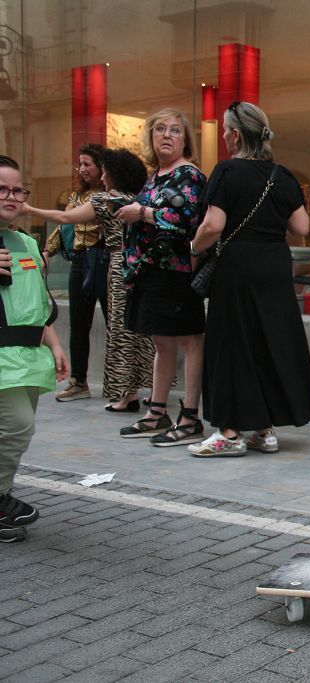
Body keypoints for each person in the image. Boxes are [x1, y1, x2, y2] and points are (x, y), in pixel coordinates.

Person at [186, 102, 310, 457]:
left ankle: (229, 433)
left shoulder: (227, 172)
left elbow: (213, 225)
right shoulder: (283, 175)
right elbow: (301, 226)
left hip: (238, 266)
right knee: (266, 341)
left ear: (233, 134)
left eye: (226, 130)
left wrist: (194, 246)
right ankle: (263, 429)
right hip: (275, 265)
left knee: (231, 346)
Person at [26, 148, 154, 413]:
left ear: (112, 173)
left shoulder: (105, 200)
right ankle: (149, 391)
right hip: (140, 266)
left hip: (119, 266)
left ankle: (125, 395)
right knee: (138, 330)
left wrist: (27, 208)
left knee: (118, 331)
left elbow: (64, 219)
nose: (101, 175)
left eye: (102, 169)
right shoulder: (138, 198)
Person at [114, 109, 207, 447]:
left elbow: (188, 222)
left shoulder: (189, 175)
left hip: (178, 271)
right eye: (160, 129)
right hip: (150, 272)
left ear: (186, 139)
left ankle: (190, 416)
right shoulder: (156, 176)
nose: (167, 135)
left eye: (175, 130)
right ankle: (157, 411)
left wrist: (142, 212)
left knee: (189, 341)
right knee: (161, 342)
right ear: (151, 137)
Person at [0, 155, 70, 543]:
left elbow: (41, 306)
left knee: (17, 433)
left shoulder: (27, 242)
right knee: (15, 427)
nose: (12, 196)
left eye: (17, 189)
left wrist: (56, 346)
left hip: (28, 357)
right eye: (3, 189)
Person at [42, 143, 107, 402]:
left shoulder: (109, 195)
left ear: (101, 167)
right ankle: (79, 381)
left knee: (116, 326)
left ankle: (120, 385)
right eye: (79, 164)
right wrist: (47, 253)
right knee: (80, 324)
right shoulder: (77, 196)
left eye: (87, 164)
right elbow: (63, 228)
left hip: (103, 262)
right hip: (80, 263)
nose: (82, 170)